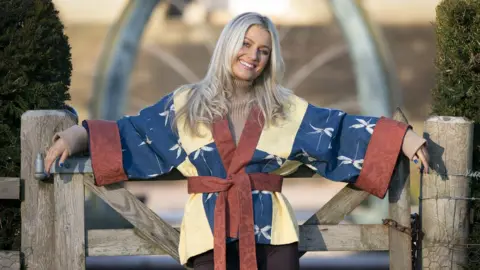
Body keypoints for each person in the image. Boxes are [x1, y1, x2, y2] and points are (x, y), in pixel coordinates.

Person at [44, 12, 429, 270]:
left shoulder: (284, 107)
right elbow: (133, 133)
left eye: (263, 50)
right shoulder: (186, 104)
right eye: (245, 44)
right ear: (228, 45)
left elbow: (339, 132)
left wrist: (401, 139)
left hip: (273, 236)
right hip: (207, 235)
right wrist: (79, 135)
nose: (253, 56)